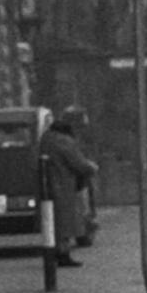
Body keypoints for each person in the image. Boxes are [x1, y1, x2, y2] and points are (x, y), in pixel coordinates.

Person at [39, 109, 97, 268]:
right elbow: (78, 163)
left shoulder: (46, 139)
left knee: (54, 222)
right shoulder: (64, 141)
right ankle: (63, 254)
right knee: (65, 222)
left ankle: (55, 252)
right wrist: (91, 167)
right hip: (63, 186)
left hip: (47, 186)